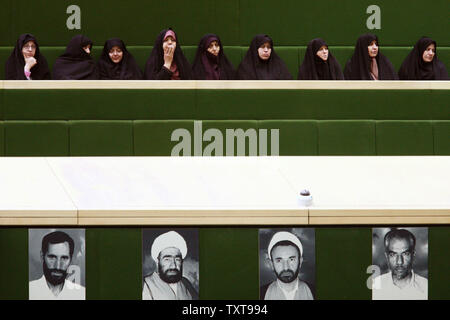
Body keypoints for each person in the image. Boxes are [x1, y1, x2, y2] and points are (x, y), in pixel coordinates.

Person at [372, 229, 428, 300]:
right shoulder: (374, 287)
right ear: (387, 256)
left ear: (413, 254)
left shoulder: (426, 287)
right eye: (393, 254)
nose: (399, 262)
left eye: (405, 254)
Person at [29, 231, 85, 300]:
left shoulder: (82, 295)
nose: (58, 266)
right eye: (52, 257)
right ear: (42, 256)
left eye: (64, 258)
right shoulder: (29, 292)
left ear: (70, 259)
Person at [142, 231, 198, 300]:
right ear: (157, 261)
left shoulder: (186, 283)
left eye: (177, 259)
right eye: (167, 259)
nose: (173, 265)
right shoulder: (144, 284)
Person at [260, 231, 314, 300]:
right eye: (279, 260)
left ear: (300, 262)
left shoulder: (314, 292)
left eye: (291, 259)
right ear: (271, 264)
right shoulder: (260, 294)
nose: (286, 267)